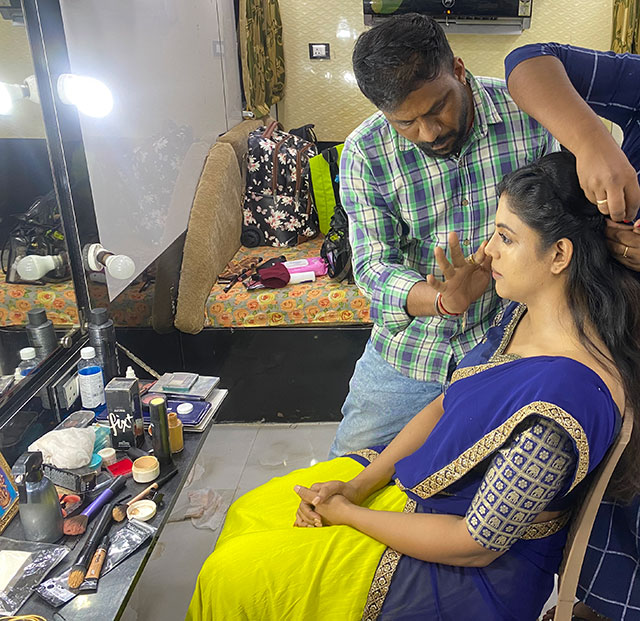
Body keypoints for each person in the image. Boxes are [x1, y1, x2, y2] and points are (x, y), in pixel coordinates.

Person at [186, 151, 640, 620]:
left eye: (506, 238)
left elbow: (474, 545)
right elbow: (445, 405)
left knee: (229, 576)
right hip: (428, 499)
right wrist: (358, 485)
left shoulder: (567, 402)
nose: (488, 251)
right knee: (250, 511)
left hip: (462, 579)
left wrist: (348, 514)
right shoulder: (521, 314)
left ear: (560, 255)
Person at [328, 14, 559, 459]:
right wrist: (442, 300)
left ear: (457, 70)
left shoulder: (528, 117)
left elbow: (558, 221)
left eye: (437, 108)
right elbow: (372, 267)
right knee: (349, 468)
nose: (429, 132)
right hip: (410, 354)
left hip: (509, 343)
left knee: (478, 475)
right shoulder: (366, 151)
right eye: (406, 123)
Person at [506, 42, 640, 621]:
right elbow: (529, 61)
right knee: (610, 499)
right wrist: (593, 142)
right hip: (620, 340)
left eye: (505, 237)